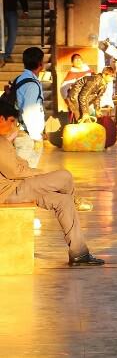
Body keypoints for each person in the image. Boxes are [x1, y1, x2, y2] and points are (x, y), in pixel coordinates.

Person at [0, 101, 105, 266]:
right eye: (13, 121)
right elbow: (16, 172)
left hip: (18, 187)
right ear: (1, 119)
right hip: (9, 191)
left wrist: (31, 171)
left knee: (63, 201)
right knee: (64, 176)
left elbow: (22, 165)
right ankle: (75, 199)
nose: (15, 126)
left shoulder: (4, 142)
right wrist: (40, 173)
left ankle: (79, 253)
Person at [14, 47, 46, 149]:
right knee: (29, 164)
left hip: (23, 133)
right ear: (40, 63)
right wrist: (35, 136)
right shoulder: (31, 85)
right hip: (27, 136)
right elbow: (29, 111)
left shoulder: (20, 79)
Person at [2, 0, 28, 64]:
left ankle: (7, 54)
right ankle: (1, 55)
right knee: (1, 33)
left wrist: (25, 10)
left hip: (11, 9)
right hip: (1, 9)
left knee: (12, 33)